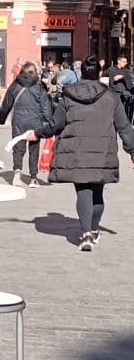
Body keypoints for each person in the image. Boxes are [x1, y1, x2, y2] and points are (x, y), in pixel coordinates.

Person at [50, 54, 134, 251]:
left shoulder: (68, 96)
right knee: (97, 192)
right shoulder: (111, 97)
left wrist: (39, 132)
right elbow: (124, 127)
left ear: (81, 73)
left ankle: (86, 232)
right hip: (103, 151)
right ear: (99, 74)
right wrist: (132, 151)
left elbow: (57, 123)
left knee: (83, 191)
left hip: (77, 151)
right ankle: (94, 230)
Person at [0, 61, 58, 186]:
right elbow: (45, 107)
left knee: (18, 148)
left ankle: (17, 172)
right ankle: (33, 177)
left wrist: (2, 119)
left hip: (19, 120)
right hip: (35, 121)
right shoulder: (39, 87)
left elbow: (6, 103)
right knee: (34, 149)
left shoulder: (15, 85)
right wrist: (49, 123)